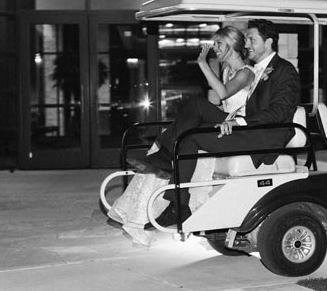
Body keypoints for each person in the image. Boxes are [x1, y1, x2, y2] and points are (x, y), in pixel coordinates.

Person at [129, 19, 300, 226]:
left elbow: (280, 111)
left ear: (269, 42)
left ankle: (166, 157)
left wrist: (240, 122)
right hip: (247, 130)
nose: (246, 45)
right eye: (245, 40)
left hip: (262, 137)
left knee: (198, 105)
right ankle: (179, 206)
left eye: (252, 40)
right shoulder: (256, 69)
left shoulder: (284, 70)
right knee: (188, 138)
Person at [108, 25, 254, 246]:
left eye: (219, 44)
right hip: (224, 121)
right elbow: (219, 101)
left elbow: (223, 94)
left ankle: (167, 156)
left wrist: (203, 64)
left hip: (237, 126)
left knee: (197, 102)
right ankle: (177, 199)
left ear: (233, 45)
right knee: (189, 121)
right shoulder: (227, 71)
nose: (215, 48)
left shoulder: (246, 72)